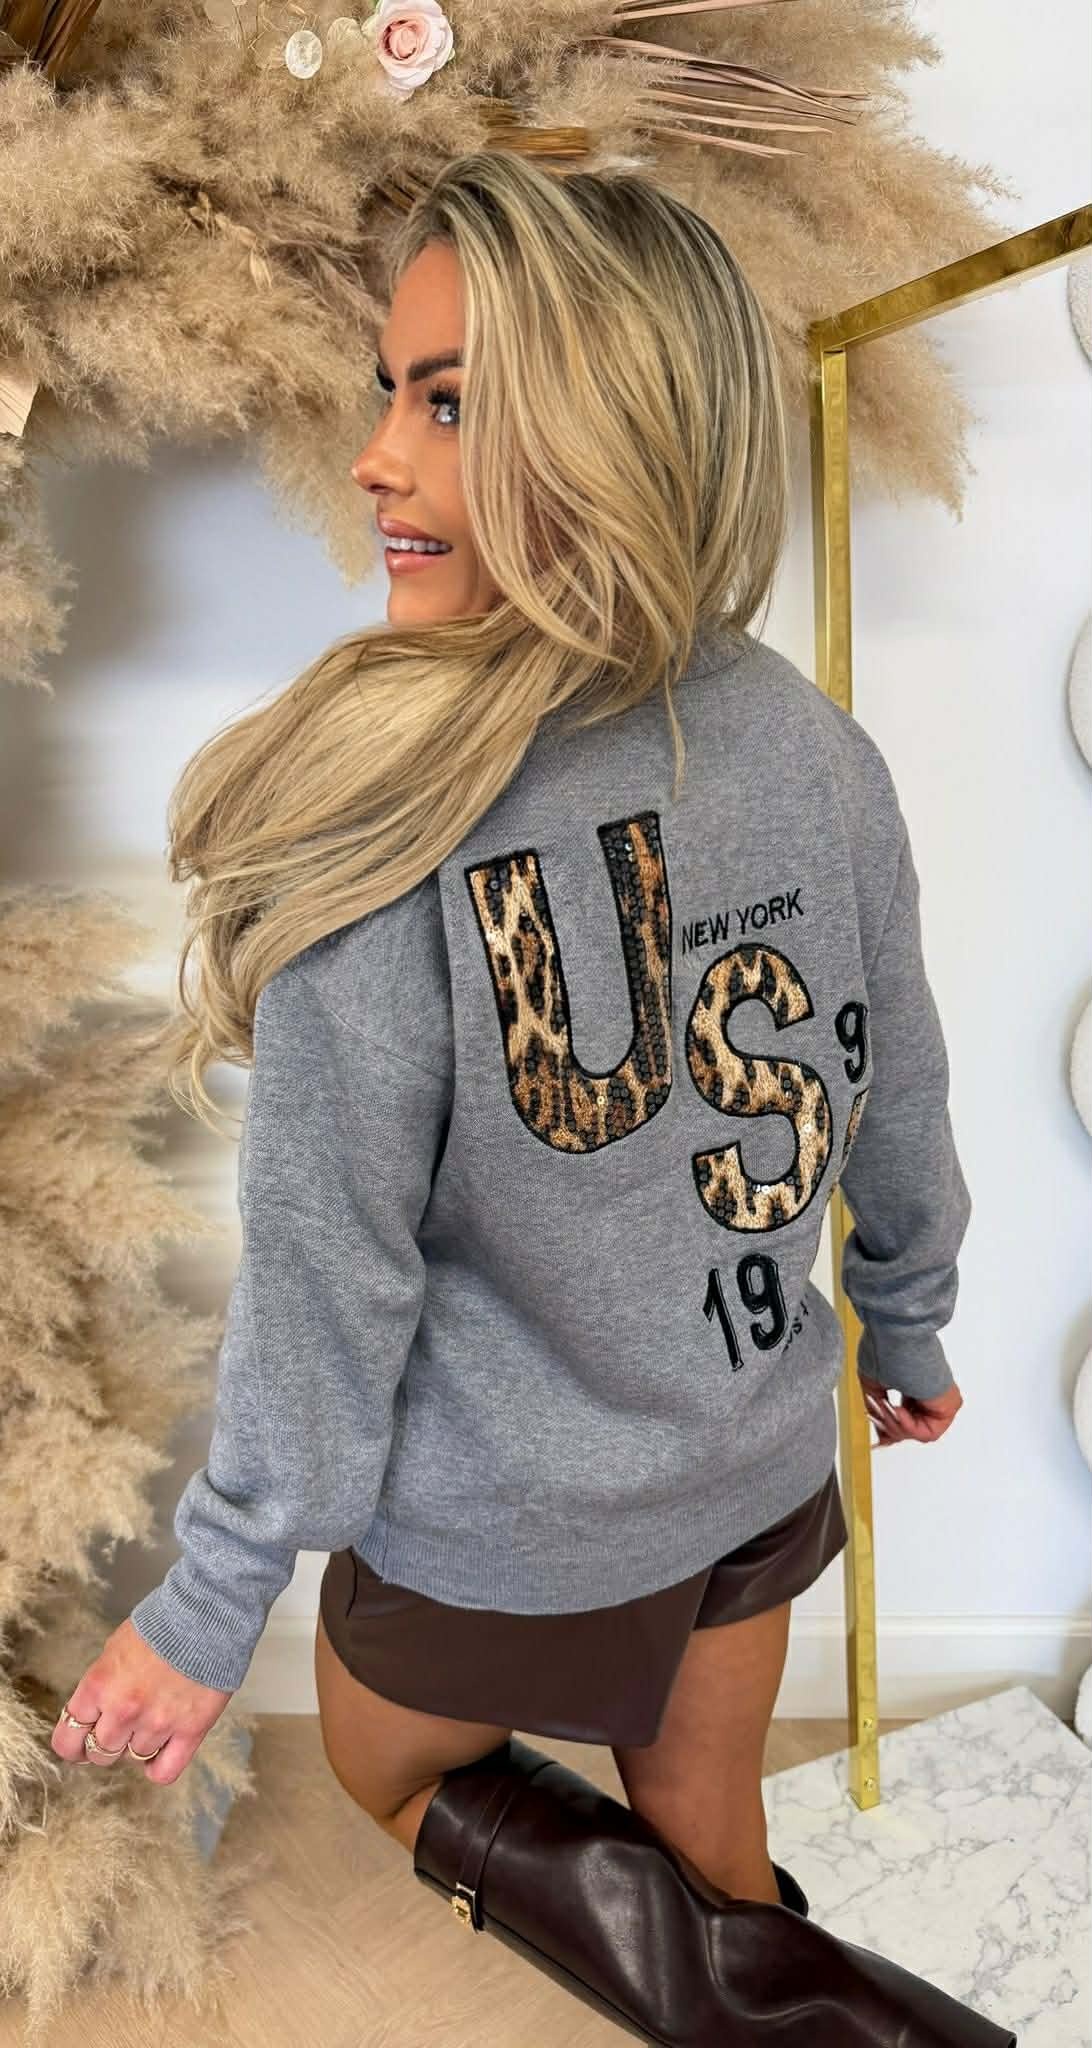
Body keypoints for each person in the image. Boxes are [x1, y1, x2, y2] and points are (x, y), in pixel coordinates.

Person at [51, 153, 1013, 2046]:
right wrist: (905, 1316)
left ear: (615, 422)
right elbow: (891, 1076)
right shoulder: (819, 751)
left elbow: (332, 1268)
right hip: (759, 1451)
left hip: (510, 1511)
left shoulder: (386, 825)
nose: (372, 461)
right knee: (712, 1857)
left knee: (391, 1766)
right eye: (390, 395)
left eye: (449, 403)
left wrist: (216, 1590)